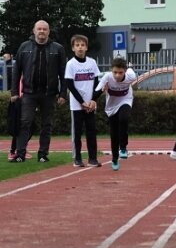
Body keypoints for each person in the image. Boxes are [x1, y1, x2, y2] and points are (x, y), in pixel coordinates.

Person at [9, 20, 67, 163]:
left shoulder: (58, 49)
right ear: (34, 31)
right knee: (24, 122)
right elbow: (16, 71)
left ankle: (43, 154)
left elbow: (63, 73)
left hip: (49, 94)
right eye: (39, 29)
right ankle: (20, 153)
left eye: (44, 29)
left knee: (47, 125)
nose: (42, 31)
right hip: (29, 93)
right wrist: (14, 92)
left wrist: (63, 94)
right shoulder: (24, 47)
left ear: (49, 31)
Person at [64, 34, 102, 168]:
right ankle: (78, 158)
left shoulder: (92, 62)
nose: (80, 48)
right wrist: (81, 102)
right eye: (77, 45)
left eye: (82, 45)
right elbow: (70, 85)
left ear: (86, 47)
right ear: (73, 48)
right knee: (77, 133)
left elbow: (98, 84)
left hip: (90, 105)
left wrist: (92, 100)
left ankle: (93, 158)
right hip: (77, 105)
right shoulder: (70, 64)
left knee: (91, 131)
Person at [96, 57, 137, 171]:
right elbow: (98, 91)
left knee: (124, 119)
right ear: (111, 71)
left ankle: (123, 148)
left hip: (125, 100)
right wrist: (93, 101)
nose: (117, 75)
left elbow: (131, 69)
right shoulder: (108, 77)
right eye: (115, 72)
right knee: (114, 134)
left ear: (125, 71)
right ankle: (114, 159)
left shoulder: (130, 76)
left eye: (120, 73)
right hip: (111, 107)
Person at [4, 53, 23, 161]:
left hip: (25, 102)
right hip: (18, 103)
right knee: (18, 128)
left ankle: (20, 149)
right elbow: (15, 87)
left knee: (27, 127)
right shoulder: (17, 74)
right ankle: (13, 151)